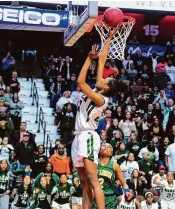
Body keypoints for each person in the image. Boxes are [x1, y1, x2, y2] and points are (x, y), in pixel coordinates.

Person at [71, 29, 128, 209]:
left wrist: (89, 58)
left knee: (93, 179)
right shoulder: (99, 90)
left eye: (106, 79)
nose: (102, 78)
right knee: (83, 181)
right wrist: (109, 38)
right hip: (78, 136)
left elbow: (80, 83)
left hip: (88, 136)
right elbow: (102, 60)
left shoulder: (100, 99)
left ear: (107, 87)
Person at [92, 143, 130, 209]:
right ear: (100, 150)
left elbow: (124, 183)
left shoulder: (115, 166)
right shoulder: (94, 163)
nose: (105, 147)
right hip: (95, 197)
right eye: (104, 146)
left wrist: (127, 191)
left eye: (108, 147)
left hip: (110, 198)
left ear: (111, 153)